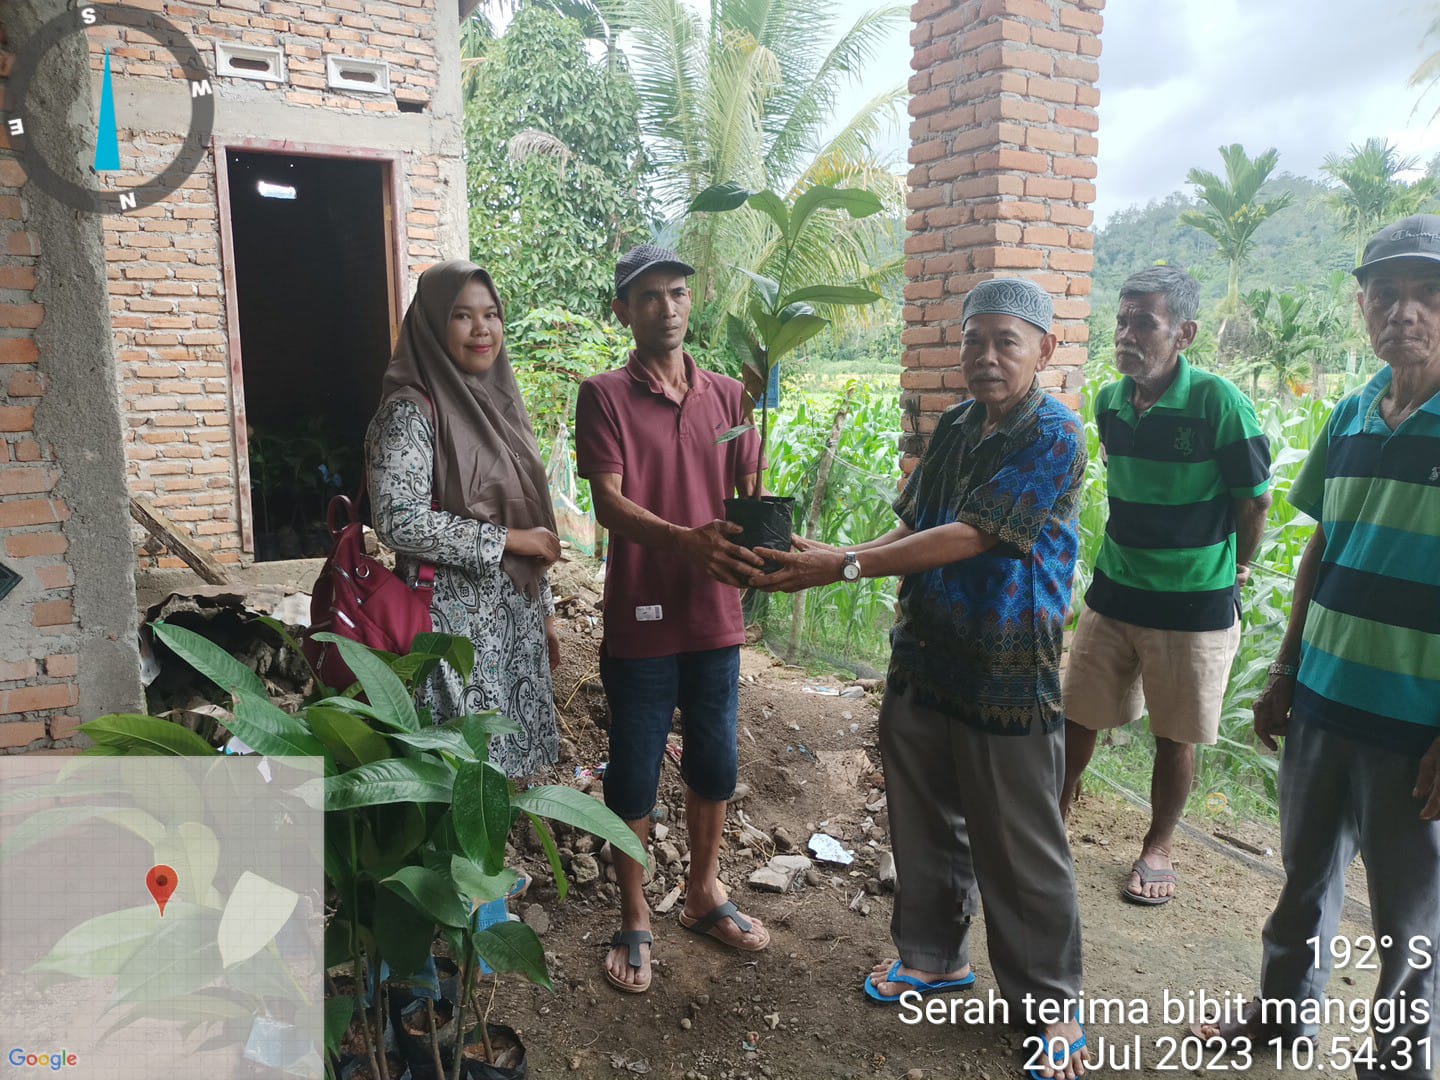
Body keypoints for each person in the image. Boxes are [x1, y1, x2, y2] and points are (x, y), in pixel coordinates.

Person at [753, 278, 1089, 1080]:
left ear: (1043, 349)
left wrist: (844, 567)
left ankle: (1053, 1005)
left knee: (1020, 843)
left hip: (1007, 671)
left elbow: (975, 535)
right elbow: (916, 519)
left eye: (1005, 341)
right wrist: (830, 560)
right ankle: (935, 956)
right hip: (926, 652)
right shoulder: (958, 425)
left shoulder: (1055, 434)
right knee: (923, 817)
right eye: (974, 341)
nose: (985, 357)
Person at [1193, 215, 1440, 1078]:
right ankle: (1281, 1018)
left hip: (1417, 723)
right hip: (1327, 697)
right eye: (1386, 293)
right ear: (1364, 305)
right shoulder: (1349, 415)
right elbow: (1322, 548)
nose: (1404, 311)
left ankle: (1399, 1064)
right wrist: (1286, 668)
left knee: (1411, 916)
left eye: (1427, 293)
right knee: (1304, 874)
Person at [575, 244, 770, 996]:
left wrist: (765, 540)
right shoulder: (604, 395)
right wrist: (686, 540)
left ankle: (702, 892)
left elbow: (747, 490)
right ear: (623, 310)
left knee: (715, 759)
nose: (667, 307)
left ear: (694, 303)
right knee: (633, 766)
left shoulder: (728, 397)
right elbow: (608, 504)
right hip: (643, 613)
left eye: (679, 292)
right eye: (649, 296)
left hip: (716, 614)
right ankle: (633, 910)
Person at [1059, 266, 1271, 904]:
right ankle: (1052, 821)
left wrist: (1236, 571)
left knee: (1175, 733)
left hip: (1194, 602)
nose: (1125, 335)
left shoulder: (1217, 402)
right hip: (1116, 588)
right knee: (1078, 715)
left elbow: (1254, 501)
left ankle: (1157, 846)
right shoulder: (1109, 402)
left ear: (1184, 333)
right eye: (1120, 321)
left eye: (1143, 323)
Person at [367, 260, 562, 778]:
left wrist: (543, 614)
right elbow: (397, 520)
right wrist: (508, 541)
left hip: (513, 621)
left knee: (504, 774)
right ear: (432, 324)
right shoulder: (409, 412)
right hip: (453, 626)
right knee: (460, 772)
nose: (483, 329)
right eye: (462, 315)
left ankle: (492, 859)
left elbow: (526, 518)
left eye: (492, 314)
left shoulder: (501, 407)